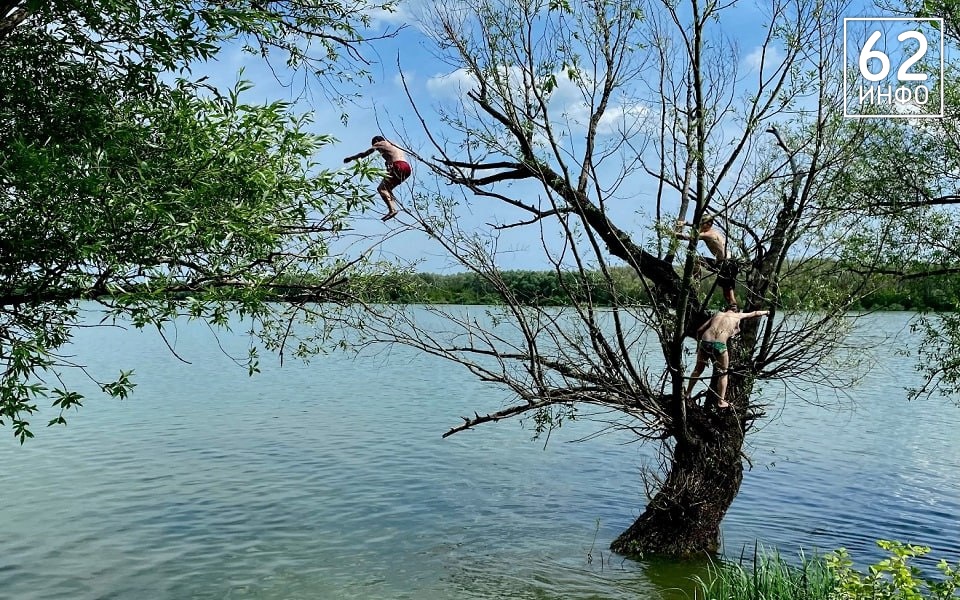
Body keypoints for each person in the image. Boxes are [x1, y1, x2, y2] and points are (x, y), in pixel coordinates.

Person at [684, 307, 770, 408]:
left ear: (726, 309)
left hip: (705, 342)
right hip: (719, 345)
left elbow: (700, 330)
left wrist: (698, 346)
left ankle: (687, 393)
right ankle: (721, 402)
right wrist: (767, 312)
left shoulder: (717, 314)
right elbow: (755, 313)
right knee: (723, 373)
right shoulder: (737, 316)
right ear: (737, 311)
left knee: (698, 370)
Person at [677, 216, 739, 309]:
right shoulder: (714, 231)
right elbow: (696, 226)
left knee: (728, 289)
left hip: (725, 263)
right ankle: (732, 307)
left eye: (702, 224)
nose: (700, 226)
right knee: (727, 289)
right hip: (730, 262)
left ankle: (695, 286)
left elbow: (688, 237)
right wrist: (686, 223)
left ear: (708, 224)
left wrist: (674, 233)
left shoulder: (708, 234)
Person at [343, 136, 412, 221]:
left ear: (376, 141)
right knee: (387, 189)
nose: (379, 151)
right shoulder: (393, 144)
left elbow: (364, 154)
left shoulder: (379, 143)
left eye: (378, 150)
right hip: (407, 168)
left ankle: (392, 210)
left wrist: (351, 158)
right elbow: (393, 156)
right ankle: (393, 208)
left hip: (398, 166)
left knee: (381, 189)